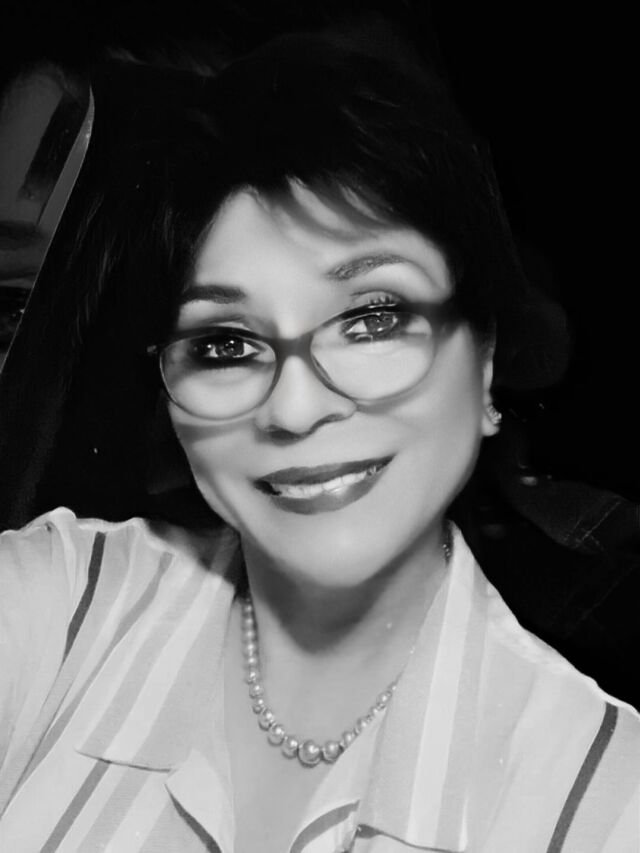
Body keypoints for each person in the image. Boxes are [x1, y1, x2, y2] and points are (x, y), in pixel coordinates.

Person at [0, 25, 638, 853]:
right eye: (227, 342)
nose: (294, 408)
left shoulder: (601, 797)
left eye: (372, 318)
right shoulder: (62, 610)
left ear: (485, 366)